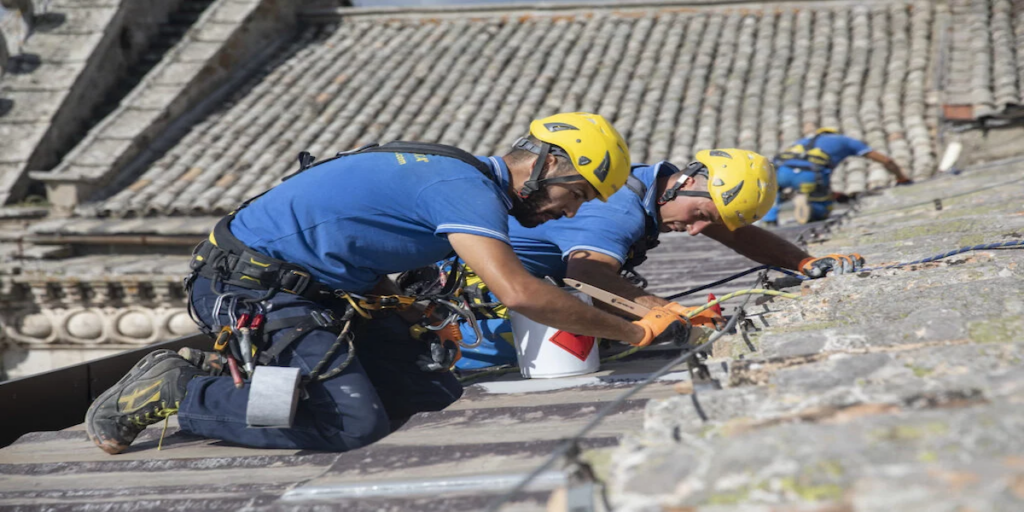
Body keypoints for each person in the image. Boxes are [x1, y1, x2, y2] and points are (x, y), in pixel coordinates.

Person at [83, 112, 704, 455]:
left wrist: (397, 307)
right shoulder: (462, 188)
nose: (570, 213)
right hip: (251, 289)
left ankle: (245, 382)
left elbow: (353, 233)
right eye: (574, 196)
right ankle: (180, 390)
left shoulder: (459, 179)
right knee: (350, 422)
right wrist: (631, 328)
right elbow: (520, 292)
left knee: (426, 391)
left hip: (312, 291)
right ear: (545, 166)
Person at [445, 149, 868, 370]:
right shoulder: (620, 209)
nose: (700, 231)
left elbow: (738, 233)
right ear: (686, 182)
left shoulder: (653, 188)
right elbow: (587, 275)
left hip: (524, 295)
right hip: (481, 311)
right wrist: (668, 312)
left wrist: (804, 263)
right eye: (702, 216)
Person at [762, 128, 913, 226]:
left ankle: (769, 220)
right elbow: (886, 160)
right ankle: (813, 208)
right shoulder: (846, 141)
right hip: (811, 175)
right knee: (821, 209)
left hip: (781, 171)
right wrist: (901, 178)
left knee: (774, 194)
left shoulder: (802, 141)